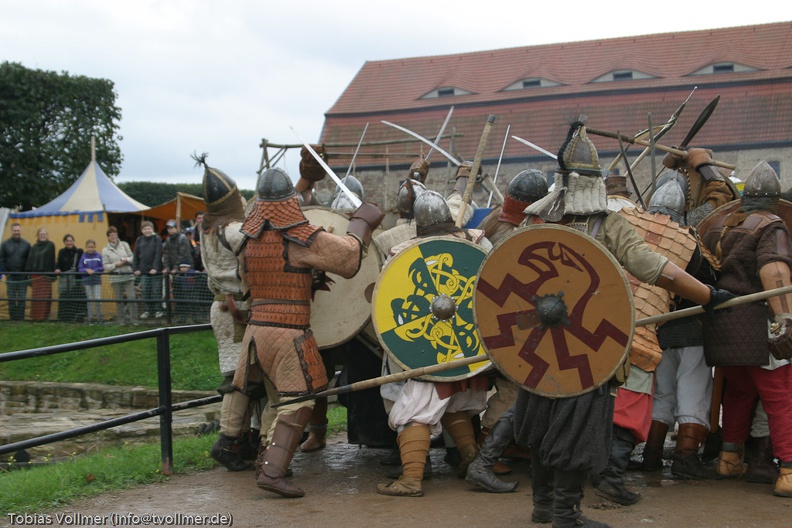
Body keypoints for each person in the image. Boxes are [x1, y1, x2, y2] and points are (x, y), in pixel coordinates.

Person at [513, 121, 735, 528]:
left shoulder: (534, 223)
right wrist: (707, 295)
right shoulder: (606, 225)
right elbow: (655, 269)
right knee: (574, 425)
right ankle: (564, 513)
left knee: (543, 422)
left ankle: (543, 506)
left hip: (539, 346)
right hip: (583, 347)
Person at [232, 167, 384, 498]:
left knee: (276, 401)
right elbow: (346, 258)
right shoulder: (297, 237)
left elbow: (244, 285)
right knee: (299, 399)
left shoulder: (248, 240)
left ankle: (267, 461)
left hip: (258, 333)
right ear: (290, 200)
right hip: (288, 331)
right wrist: (361, 224)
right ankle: (272, 472)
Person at [377, 189, 492, 498]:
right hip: (468, 347)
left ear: (418, 224)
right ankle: (469, 459)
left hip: (432, 348)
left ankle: (411, 479)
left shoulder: (404, 255)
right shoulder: (478, 244)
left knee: (416, 410)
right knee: (455, 402)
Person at [698, 160, 792, 498]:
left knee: (738, 393)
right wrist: (785, 320)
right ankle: (788, 472)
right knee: (781, 396)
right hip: (756, 327)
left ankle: (728, 459)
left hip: (721, 326)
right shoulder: (772, 225)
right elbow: (775, 273)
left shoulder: (720, 225)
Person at [466, 169, 548, 491]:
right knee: (512, 391)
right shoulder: (514, 234)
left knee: (519, 389)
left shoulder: (491, 227)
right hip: (513, 324)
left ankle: (509, 445)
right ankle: (487, 454)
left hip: (514, 322)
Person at [637, 171, 719, 481]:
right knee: (693, 392)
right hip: (690, 330)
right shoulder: (687, 239)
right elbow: (708, 276)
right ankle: (685, 458)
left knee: (664, 394)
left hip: (657, 330)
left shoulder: (636, 234)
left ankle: (652, 454)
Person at [194, 156, 259, 472]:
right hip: (239, 310)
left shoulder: (207, 229)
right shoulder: (234, 231)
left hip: (220, 306)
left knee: (244, 378)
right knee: (240, 380)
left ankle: (244, 440)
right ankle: (228, 441)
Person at [102, 226, 137, 324]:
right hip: (115, 277)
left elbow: (132, 257)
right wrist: (115, 265)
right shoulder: (105, 250)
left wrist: (127, 260)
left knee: (131, 297)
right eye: (111, 235)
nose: (113, 236)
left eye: (115, 234)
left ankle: (134, 319)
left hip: (128, 274)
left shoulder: (124, 245)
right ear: (108, 237)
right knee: (119, 300)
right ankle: (121, 320)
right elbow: (106, 266)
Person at [162, 219, 194, 323]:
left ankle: (189, 316)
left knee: (187, 293)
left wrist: (176, 268)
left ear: (176, 228)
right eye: (168, 228)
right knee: (176, 293)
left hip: (184, 270)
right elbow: (165, 254)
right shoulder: (167, 240)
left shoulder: (182, 238)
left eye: (171, 228)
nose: (170, 230)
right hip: (173, 271)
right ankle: (180, 315)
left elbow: (183, 253)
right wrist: (166, 267)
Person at [133, 220, 164, 320]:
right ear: (142, 230)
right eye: (145, 229)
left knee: (156, 291)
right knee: (145, 291)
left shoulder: (157, 239)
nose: (147, 231)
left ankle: (158, 310)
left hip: (156, 271)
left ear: (152, 229)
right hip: (144, 270)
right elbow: (136, 255)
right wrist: (135, 268)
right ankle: (148, 310)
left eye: (149, 228)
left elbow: (158, 254)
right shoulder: (139, 240)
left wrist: (155, 267)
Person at [0, 223, 31, 320]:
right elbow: (1, 259)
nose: (17, 232)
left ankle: (20, 318)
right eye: (15, 230)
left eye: (18, 230)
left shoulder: (26, 244)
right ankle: (13, 318)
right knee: (11, 297)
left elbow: (29, 260)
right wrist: (6, 272)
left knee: (22, 297)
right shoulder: (5, 244)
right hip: (11, 276)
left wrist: (26, 273)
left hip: (22, 276)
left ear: (20, 231)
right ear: (11, 231)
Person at [25, 227, 56, 321]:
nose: (43, 235)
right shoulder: (34, 247)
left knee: (45, 297)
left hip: (45, 275)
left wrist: (51, 275)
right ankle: (35, 317)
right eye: (41, 234)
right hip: (35, 275)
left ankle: (44, 317)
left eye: (44, 234)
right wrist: (28, 274)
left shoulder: (50, 245)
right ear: (38, 235)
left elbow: (51, 260)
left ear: (47, 235)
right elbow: (30, 260)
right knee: (36, 297)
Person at [54, 234, 86, 322]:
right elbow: (58, 263)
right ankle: (64, 318)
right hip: (65, 280)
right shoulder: (61, 252)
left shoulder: (79, 252)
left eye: (70, 240)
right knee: (64, 297)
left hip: (76, 280)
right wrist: (57, 269)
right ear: (64, 242)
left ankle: (78, 318)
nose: (69, 242)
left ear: (73, 241)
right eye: (67, 241)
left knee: (76, 298)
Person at [78, 239, 104, 324]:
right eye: (89, 247)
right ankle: (91, 318)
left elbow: (102, 267)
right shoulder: (83, 256)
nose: (90, 249)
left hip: (96, 280)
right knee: (89, 299)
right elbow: (80, 268)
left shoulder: (98, 256)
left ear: (95, 247)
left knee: (98, 299)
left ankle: (100, 318)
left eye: (92, 247)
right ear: (86, 247)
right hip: (86, 281)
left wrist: (94, 271)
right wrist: (86, 270)